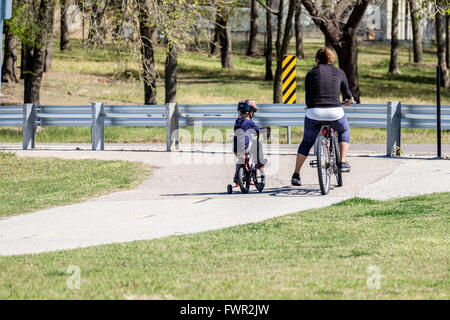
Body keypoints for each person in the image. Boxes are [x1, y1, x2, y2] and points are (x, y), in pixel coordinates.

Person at [291, 48, 355, 186]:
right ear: (331, 60)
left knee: (307, 142)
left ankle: (296, 174)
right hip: (334, 112)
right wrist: (349, 101)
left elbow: (308, 98)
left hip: (314, 112)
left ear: (317, 60)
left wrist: (310, 106)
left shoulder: (310, 73)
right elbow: (348, 94)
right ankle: (342, 162)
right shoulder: (339, 72)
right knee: (344, 131)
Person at [233, 99, 267, 183]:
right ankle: (260, 163)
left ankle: (237, 177)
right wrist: (263, 131)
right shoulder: (249, 122)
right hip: (245, 147)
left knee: (241, 160)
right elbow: (257, 130)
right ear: (250, 113)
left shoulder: (237, 122)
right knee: (258, 144)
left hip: (236, 149)